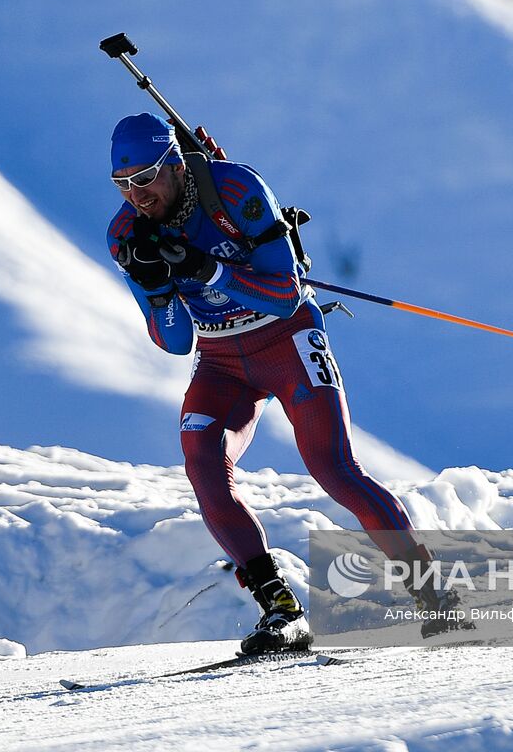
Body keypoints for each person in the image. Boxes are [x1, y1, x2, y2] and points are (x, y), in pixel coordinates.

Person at [104, 113, 467, 654]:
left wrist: (210, 273)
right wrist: (157, 289)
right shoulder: (127, 234)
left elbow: (284, 294)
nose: (137, 194)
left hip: (288, 339)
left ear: (175, 164)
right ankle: (280, 608)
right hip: (222, 357)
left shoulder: (235, 189)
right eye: (123, 184)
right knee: (202, 462)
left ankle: (433, 593)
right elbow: (175, 342)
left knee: (333, 469)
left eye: (147, 177)